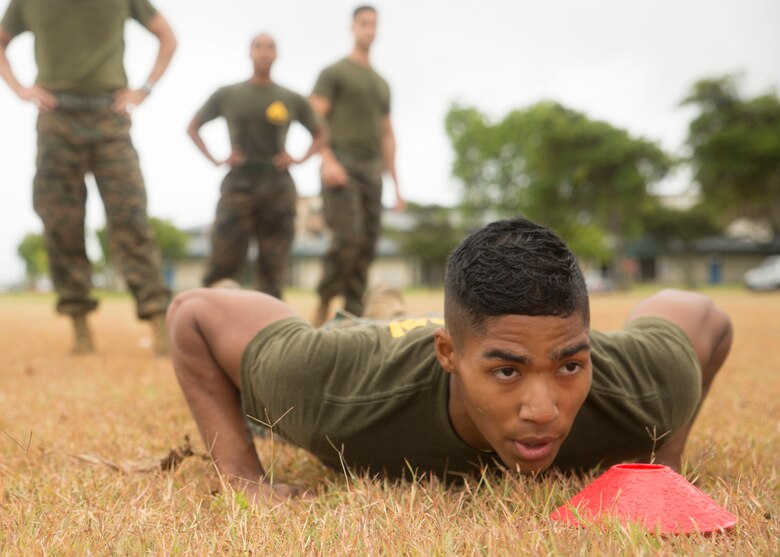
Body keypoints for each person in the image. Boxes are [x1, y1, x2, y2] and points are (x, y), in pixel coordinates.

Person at [167, 217, 733, 505]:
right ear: (449, 355)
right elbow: (193, 312)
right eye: (507, 371)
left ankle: (394, 302)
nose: (543, 410)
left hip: (449, 329)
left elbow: (705, 315)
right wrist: (243, 477)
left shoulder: (643, 388)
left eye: (568, 366)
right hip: (377, 342)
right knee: (380, 321)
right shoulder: (330, 387)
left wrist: (666, 459)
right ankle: (381, 304)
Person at [0, 0, 177, 355]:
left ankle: (159, 323)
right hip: (57, 119)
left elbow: (167, 37)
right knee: (62, 222)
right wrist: (19, 88)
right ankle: (80, 328)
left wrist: (146, 87)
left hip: (109, 117)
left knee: (131, 219)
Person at [187, 34, 323, 299]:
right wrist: (216, 159)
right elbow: (193, 127)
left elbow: (320, 133)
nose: (264, 52)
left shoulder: (290, 98)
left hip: (278, 185)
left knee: (274, 266)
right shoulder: (229, 94)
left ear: (276, 54)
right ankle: (212, 321)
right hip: (238, 184)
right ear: (250, 53)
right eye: (258, 47)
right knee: (224, 260)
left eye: (270, 47)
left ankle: (269, 328)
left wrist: (299, 158)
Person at [310, 5, 405, 325]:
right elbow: (315, 116)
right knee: (347, 239)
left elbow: (388, 135)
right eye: (364, 23)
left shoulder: (382, 83)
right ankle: (322, 305)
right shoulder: (335, 72)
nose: (369, 29)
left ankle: (351, 316)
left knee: (366, 244)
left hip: (372, 171)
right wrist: (327, 160)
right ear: (353, 27)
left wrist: (397, 186)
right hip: (342, 164)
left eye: (374, 24)